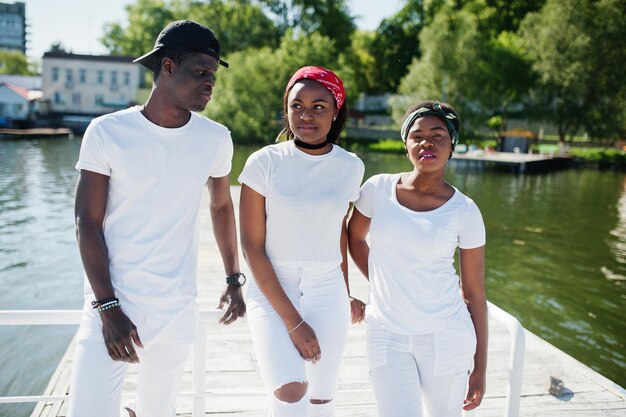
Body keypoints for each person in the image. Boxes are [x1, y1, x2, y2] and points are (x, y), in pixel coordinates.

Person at [69, 20, 246, 417]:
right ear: (167, 67)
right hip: (113, 303)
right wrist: (107, 307)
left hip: (176, 308)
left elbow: (221, 207)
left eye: (213, 75)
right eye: (200, 72)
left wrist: (234, 280)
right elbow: (86, 222)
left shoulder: (216, 138)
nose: (210, 83)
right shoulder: (107, 132)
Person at [238, 66, 365, 417]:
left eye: (319, 106)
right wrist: (294, 322)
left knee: (322, 399)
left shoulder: (351, 166)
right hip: (272, 289)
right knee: (291, 393)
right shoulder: (264, 162)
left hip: (329, 291)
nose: (306, 115)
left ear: (336, 110)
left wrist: (346, 290)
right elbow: (252, 248)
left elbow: (336, 231)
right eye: (297, 106)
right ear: (287, 108)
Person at [347, 100, 488, 417]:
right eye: (418, 135)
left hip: (446, 337)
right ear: (406, 143)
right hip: (386, 333)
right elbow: (353, 238)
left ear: (452, 145)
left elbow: (475, 293)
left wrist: (480, 367)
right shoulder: (377, 189)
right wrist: (385, 281)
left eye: (438, 135)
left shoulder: (465, 211)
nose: (427, 142)